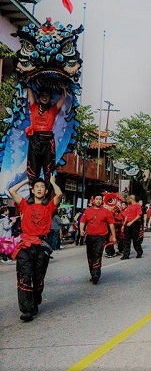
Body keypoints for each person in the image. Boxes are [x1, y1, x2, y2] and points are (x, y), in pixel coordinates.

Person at [8, 176, 62, 322]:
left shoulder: (49, 206)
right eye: (36, 186)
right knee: (24, 276)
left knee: (38, 278)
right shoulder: (25, 204)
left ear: (45, 191)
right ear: (33, 190)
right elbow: (12, 190)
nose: (39, 189)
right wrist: (26, 181)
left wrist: (52, 183)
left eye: (42, 187)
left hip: (41, 246)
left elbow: (59, 195)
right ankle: (26, 309)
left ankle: (35, 300)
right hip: (25, 245)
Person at [25, 87, 67, 186]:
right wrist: (27, 79)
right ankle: (32, 194)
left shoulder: (53, 109)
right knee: (33, 168)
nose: (44, 97)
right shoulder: (34, 106)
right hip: (35, 140)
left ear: (50, 98)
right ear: (39, 97)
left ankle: (47, 195)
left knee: (49, 169)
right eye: (42, 95)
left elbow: (63, 97)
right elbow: (29, 90)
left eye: (47, 96)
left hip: (48, 141)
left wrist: (64, 87)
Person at [79, 194, 116, 284]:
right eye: (97, 199)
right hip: (90, 236)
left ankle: (96, 275)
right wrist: (81, 230)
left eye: (100, 199)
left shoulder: (107, 212)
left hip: (101, 236)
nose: (98, 201)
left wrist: (114, 236)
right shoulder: (87, 211)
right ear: (93, 200)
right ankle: (93, 273)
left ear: (102, 201)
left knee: (97, 254)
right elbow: (82, 221)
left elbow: (111, 224)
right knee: (90, 255)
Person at [121, 195, 143, 260]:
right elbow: (127, 216)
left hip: (135, 224)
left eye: (128, 199)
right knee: (126, 240)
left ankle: (139, 252)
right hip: (128, 224)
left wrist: (132, 222)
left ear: (131, 199)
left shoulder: (137, 205)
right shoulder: (129, 206)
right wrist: (123, 225)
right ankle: (126, 255)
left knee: (135, 240)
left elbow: (139, 215)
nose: (128, 200)